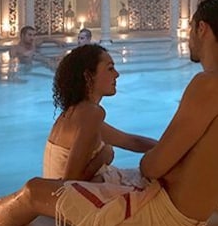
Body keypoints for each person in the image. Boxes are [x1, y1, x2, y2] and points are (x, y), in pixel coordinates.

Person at [0, 0, 218, 226]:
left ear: (202, 29)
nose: (188, 38)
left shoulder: (208, 84)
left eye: (190, 29)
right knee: (109, 176)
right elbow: (152, 152)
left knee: (33, 190)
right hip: (185, 223)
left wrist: (146, 159)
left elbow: (152, 166)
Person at [42, 44, 156, 186]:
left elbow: (130, 141)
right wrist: (103, 157)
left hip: (63, 198)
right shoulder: (91, 113)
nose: (116, 74)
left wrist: (168, 148)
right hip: (73, 202)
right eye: (110, 68)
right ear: (89, 76)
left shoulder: (75, 113)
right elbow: (69, 184)